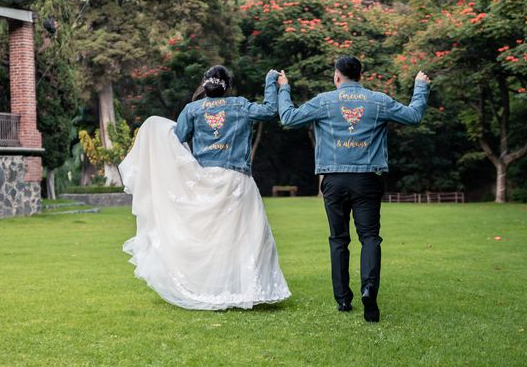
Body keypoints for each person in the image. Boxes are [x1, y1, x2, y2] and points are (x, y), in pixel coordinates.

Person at [119, 65, 291, 310]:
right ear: (227, 86)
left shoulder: (192, 110)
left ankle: (209, 288)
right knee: (248, 238)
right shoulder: (240, 105)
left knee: (211, 239)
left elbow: (176, 139)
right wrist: (272, 82)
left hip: (205, 180)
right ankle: (247, 288)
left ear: (204, 85)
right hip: (236, 181)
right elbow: (270, 110)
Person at [277, 56, 430, 322]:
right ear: (361, 75)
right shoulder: (378, 101)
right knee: (370, 237)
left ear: (337, 77)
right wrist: (420, 87)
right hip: (368, 179)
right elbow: (414, 116)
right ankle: (369, 289)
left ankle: (343, 300)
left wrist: (284, 87)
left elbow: (288, 117)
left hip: (334, 180)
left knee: (339, 239)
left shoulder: (324, 101)